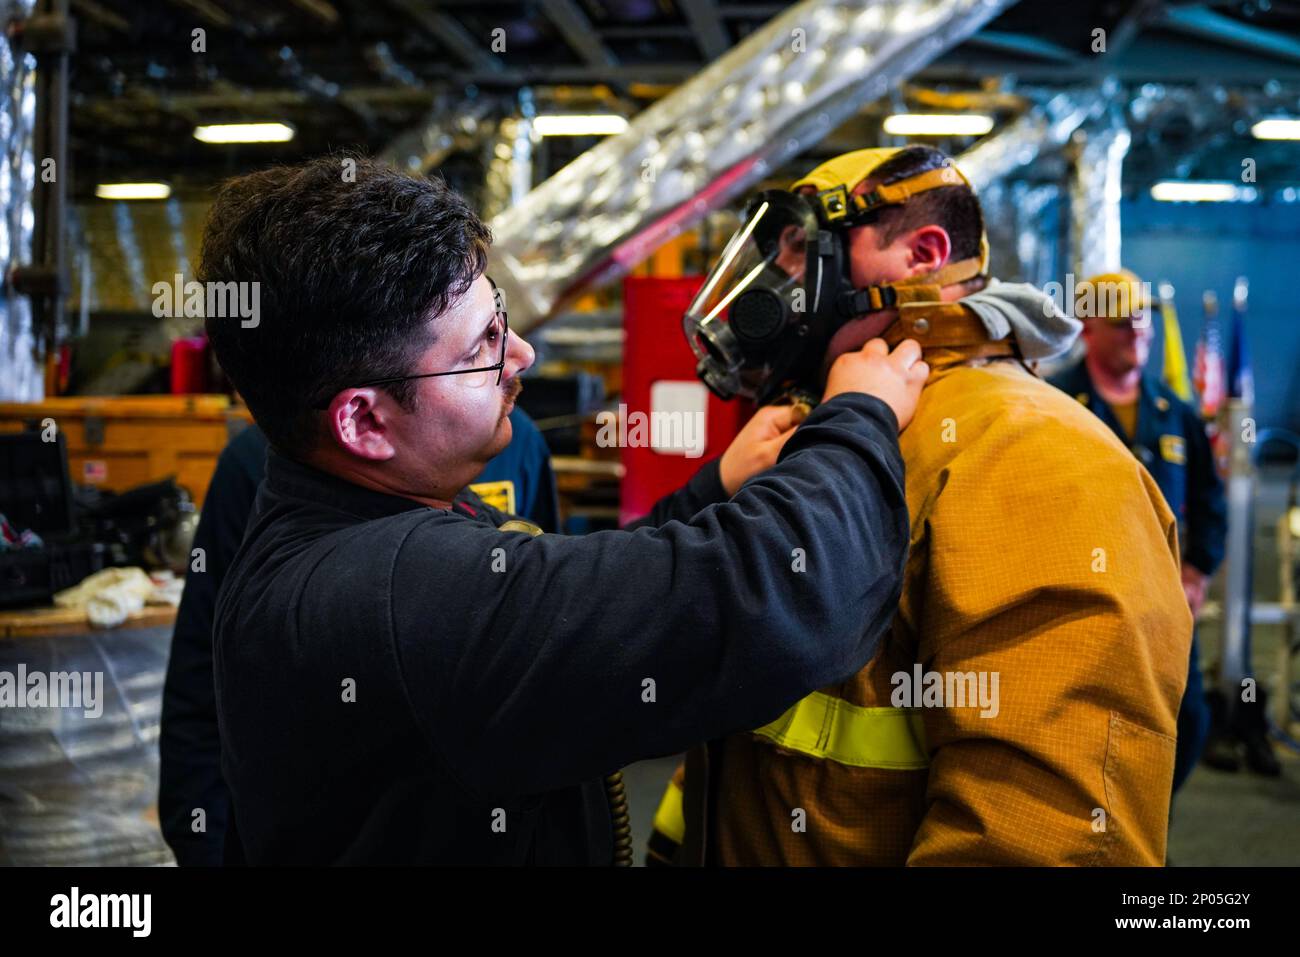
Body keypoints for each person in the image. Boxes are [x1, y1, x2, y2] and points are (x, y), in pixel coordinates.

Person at [200, 155, 930, 865]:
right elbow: (776, 598)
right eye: (482, 345)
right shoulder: (392, 595)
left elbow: (575, 601)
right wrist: (859, 415)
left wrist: (714, 489)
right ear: (364, 422)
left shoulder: (335, 527)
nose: (520, 354)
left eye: (500, 318)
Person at [651, 146, 1191, 867]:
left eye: (797, 250)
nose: (776, 284)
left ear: (922, 253)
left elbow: (1038, 840)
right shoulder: (828, 430)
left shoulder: (1039, 458)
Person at [159, 407, 557, 866]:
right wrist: (200, 839)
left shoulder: (520, 440)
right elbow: (204, 668)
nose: (513, 358)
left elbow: (545, 615)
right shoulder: (262, 458)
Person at [1049, 271, 1227, 792]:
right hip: (1084, 597)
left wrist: (1197, 571)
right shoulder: (1055, 403)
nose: (1138, 332)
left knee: (1186, 719)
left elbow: (1209, 498)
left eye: (1142, 320)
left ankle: (1150, 826)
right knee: (1088, 725)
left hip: (1163, 600)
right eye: (1122, 322)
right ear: (1088, 328)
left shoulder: (1174, 412)